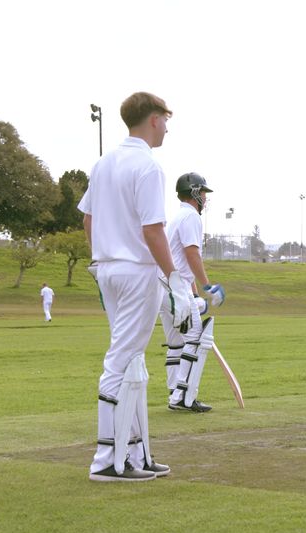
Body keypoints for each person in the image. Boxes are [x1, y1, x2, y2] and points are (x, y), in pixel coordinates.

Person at [78, 92, 195, 483]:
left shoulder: (104, 163)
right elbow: (152, 229)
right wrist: (175, 278)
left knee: (133, 361)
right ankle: (107, 460)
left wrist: (99, 260)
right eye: (165, 119)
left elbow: (88, 219)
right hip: (135, 272)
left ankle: (135, 453)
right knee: (120, 360)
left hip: (110, 270)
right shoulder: (147, 166)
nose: (167, 127)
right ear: (153, 119)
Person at [160, 172, 226, 413]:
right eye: (204, 194)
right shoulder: (191, 217)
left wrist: (195, 293)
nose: (205, 200)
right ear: (195, 193)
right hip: (175, 288)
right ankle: (182, 396)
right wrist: (208, 286)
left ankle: (174, 393)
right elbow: (191, 255)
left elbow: (181, 261)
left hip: (166, 285)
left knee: (176, 342)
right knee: (195, 337)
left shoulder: (177, 217)